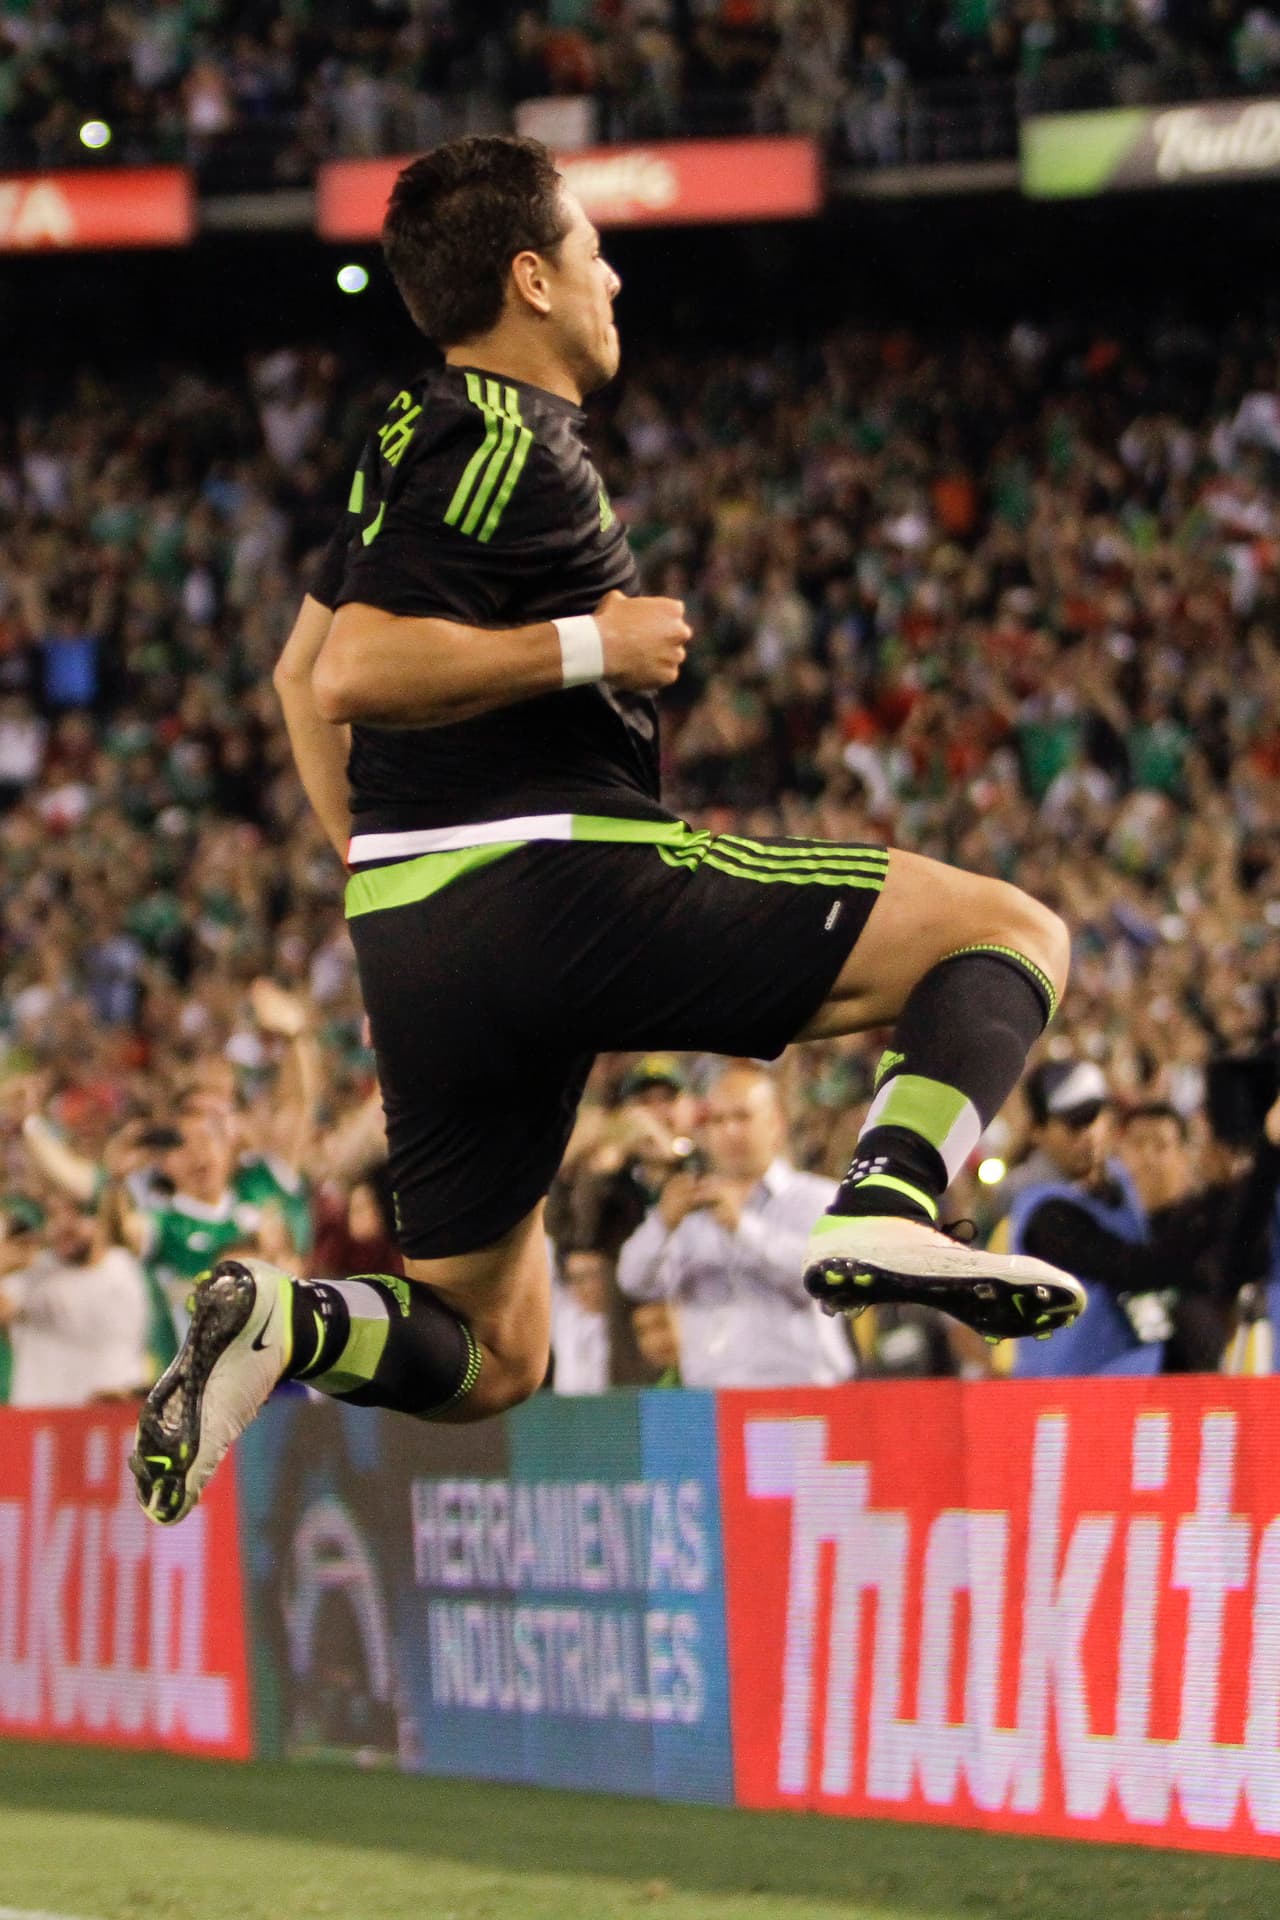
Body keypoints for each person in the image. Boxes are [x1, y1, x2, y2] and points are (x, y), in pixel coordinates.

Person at [132, 133, 1081, 1528]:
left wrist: (383, 882)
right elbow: (351, 674)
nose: (614, 277)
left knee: (492, 1352)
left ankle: (288, 1319)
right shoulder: (495, 437)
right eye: (592, 250)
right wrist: (598, 645)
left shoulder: (408, 437)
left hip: (422, 927)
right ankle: (888, 1202)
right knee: (1007, 931)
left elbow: (291, 674)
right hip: (557, 874)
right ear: (532, 278)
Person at [616, 1063, 855, 1388]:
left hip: (802, 1392)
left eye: (742, 1117)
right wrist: (661, 1224)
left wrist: (742, 1227)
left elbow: (827, 1281)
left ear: (775, 1124)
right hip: (712, 1397)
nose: (729, 1131)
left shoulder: (819, 1199)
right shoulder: (687, 1208)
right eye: (717, 1120)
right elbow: (634, 1282)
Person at [0, 1189, 149, 1408]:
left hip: (106, 1417)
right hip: (39, 1420)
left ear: (101, 1220)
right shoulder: (35, 1269)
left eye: (76, 1214)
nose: (63, 1225)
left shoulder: (123, 1269)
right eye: (54, 1215)